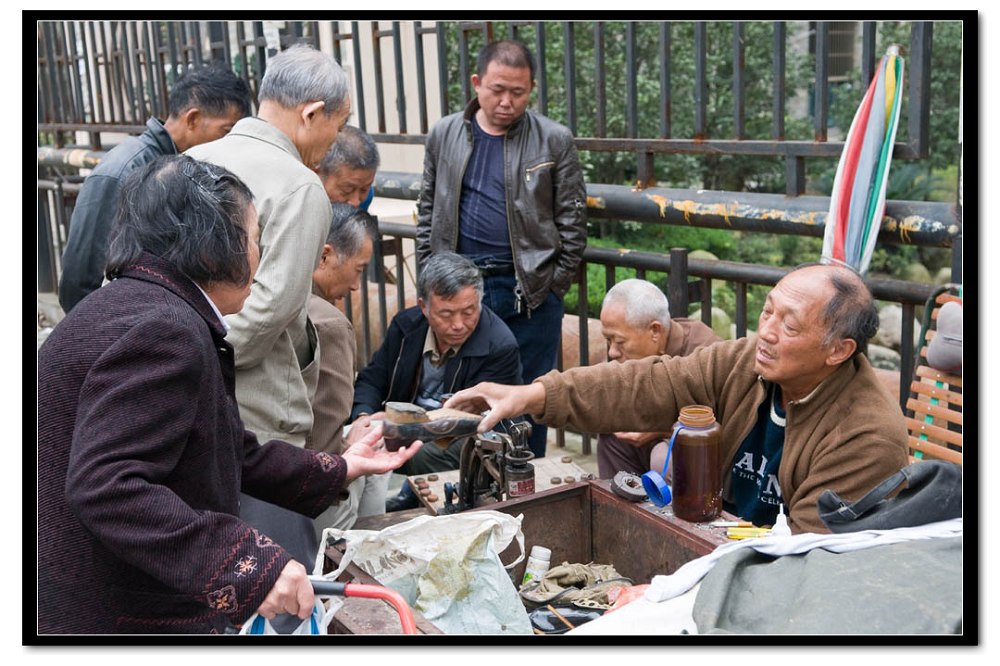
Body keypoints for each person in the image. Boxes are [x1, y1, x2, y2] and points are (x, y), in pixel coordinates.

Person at [36, 155, 421, 634]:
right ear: (217, 244)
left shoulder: (130, 306)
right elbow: (108, 487)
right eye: (256, 237)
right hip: (113, 617)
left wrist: (340, 466)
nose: (259, 254)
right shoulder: (164, 329)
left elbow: (227, 453)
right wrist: (248, 565)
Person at [446, 263, 910, 534]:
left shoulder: (867, 436)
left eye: (789, 326)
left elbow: (806, 556)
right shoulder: (748, 361)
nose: (765, 333)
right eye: (768, 311)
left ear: (839, 350)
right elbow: (652, 382)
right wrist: (531, 394)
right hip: (722, 536)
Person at [187, 43, 351, 567]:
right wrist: (196, 360)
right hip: (256, 419)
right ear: (311, 114)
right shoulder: (300, 186)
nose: (335, 140)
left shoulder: (188, 161)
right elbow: (267, 314)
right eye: (339, 124)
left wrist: (171, 364)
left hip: (187, 408)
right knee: (273, 582)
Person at [415, 39, 587, 460]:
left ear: (531, 89)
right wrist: (430, 274)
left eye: (518, 92)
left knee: (531, 397)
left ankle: (528, 486)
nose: (507, 101)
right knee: (457, 391)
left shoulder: (553, 139)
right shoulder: (445, 134)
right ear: (477, 83)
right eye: (497, 90)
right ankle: (463, 483)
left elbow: (573, 222)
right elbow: (427, 210)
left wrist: (552, 286)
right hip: (462, 288)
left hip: (527, 290)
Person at [58, 63, 251, 314]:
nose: (230, 143)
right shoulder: (121, 172)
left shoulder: (186, 169)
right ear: (192, 119)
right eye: (226, 131)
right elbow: (80, 282)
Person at [351, 252, 522, 508]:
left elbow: (481, 423)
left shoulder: (499, 345)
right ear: (424, 307)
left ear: (479, 301)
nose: (459, 324)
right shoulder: (406, 326)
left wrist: (403, 426)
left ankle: (414, 499)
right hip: (407, 425)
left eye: (469, 311)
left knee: (422, 453)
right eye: (446, 314)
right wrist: (363, 417)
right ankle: (365, 519)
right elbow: (373, 379)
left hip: (467, 437)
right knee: (354, 440)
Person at [596, 279, 720, 479]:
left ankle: (666, 511)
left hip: (699, 451)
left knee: (664, 458)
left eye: (619, 341)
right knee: (611, 435)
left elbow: (719, 426)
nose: (612, 351)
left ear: (655, 331)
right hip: (651, 437)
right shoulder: (626, 353)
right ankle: (619, 504)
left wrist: (660, 430)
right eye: (608, 340)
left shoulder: (705, 353)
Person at [306, 203, 379, 535]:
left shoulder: (270, 301)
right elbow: (325, 432)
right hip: (314, 494)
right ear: (325, 256)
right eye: (360, 269)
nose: (355, 286)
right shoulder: (331, 324)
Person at [315, 124, 379, 209]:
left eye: (364, 190)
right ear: (317, 173)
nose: (356, 202)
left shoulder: (365, 198)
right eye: (347, 190)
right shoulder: (300, 198)